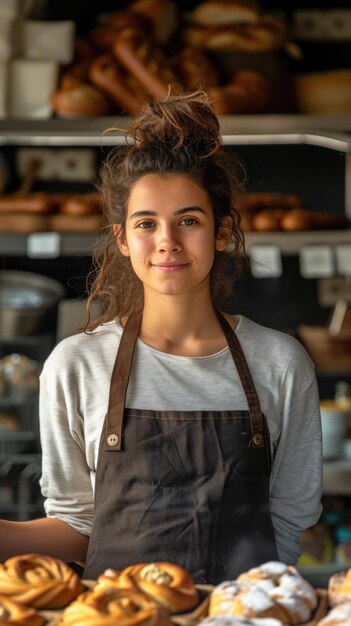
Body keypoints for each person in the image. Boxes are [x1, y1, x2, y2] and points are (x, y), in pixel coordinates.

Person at [0, 90, 322, 583]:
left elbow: (289, 519)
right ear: (123, 239)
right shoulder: (78, 365)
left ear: (221, 231)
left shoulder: (279, 362)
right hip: (116, 617)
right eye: (147, 223)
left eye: (188, 221)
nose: (167, 241)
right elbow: (78, 525)